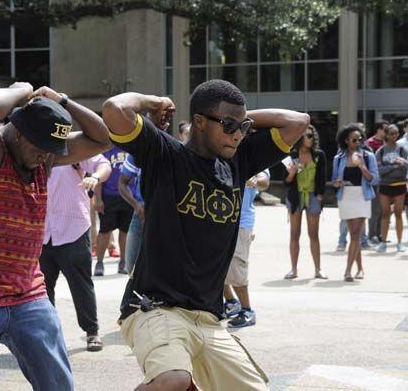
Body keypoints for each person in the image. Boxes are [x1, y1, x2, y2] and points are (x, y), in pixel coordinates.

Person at [103, 79, 309, 390]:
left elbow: (297, 121)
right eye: (228, 126)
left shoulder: (239, 160)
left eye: (243, 127)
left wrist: (235, 119)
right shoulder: (165, 154)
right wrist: (154, 100)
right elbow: (114, 109)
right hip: (154, 308)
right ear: (199, 121)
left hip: (209, 319)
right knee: (174, 379)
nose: (238, 135)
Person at [0, 83, 110, 391]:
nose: (45, 156)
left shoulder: (45, 154)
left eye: (49, 150)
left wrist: (63, 99)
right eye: (39, 147)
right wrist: (23, 88)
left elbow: (103, 138)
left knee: (58, 385)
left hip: (27, 293)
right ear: (18, 133)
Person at [40, 154, 111, 352]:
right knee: (42, 289)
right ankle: (48, 334)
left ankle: (92, 331)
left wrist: (95, 177)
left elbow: (103, 164)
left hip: (73, 230)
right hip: (41, 232)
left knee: (81, 285)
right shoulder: (33, 149)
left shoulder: (71, 148)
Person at [223, 169, 270, 328]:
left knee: (237, 269)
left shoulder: (252, 156)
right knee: (215, 267)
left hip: (241, 224)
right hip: (219, 219)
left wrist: (255, 178)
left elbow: (265, 180)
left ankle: (247, 310)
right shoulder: (221, 152)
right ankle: (230, 303)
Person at [332, 124, 380, 282]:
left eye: (360, 139)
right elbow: (334, 181)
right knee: (355, 235)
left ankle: (347, 271)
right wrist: (338, 182)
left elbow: (375, 179)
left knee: (355, 235)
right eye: (354, 139)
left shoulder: (367, 156)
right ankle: (360, 269)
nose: (358, 141)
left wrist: (362, 167)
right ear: (346, 141)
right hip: (346, 196)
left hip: (362, 195)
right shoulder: (338, 158)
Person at [283, 125, 328, 280]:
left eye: (312, 135)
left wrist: (321, 195)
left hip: (313, 197)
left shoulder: (318, 155)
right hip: (295, 197)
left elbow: (323, 177)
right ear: (300, 137)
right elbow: (286, 182)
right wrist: (292, 174)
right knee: (294, 234)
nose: (311, 138)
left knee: (313, 234)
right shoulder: (292, 155)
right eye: (308, 136)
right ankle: (293, 269)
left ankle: (318, 269)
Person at [94, 145, 134, 275]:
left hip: (128, 196)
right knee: (105, 231)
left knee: (125, 231)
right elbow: (99, 178)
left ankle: (123, 262)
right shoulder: (106, 150)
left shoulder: (132, 150)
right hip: (109, 197)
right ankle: (99, 263)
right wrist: (98, 199)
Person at [374, 124, 408, 252]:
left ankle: (399, 243)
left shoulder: (402, 149)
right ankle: (383, 243)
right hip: (385, 185)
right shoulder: (381, 151)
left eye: (396, 133)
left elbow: (406, 165)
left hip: (399, 184)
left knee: (398, 213)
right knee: (385, 214)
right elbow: (379, 170)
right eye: (392, 133)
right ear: (386, 135)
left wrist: (402, 162)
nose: (394, 136)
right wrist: (393, 167)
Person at [118, 153, 143, 275]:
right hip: (141, 215)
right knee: (131, 266)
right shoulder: (136, 155)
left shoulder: (174, 151)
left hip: (167, 215)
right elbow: (122, 183)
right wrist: (136, 205)